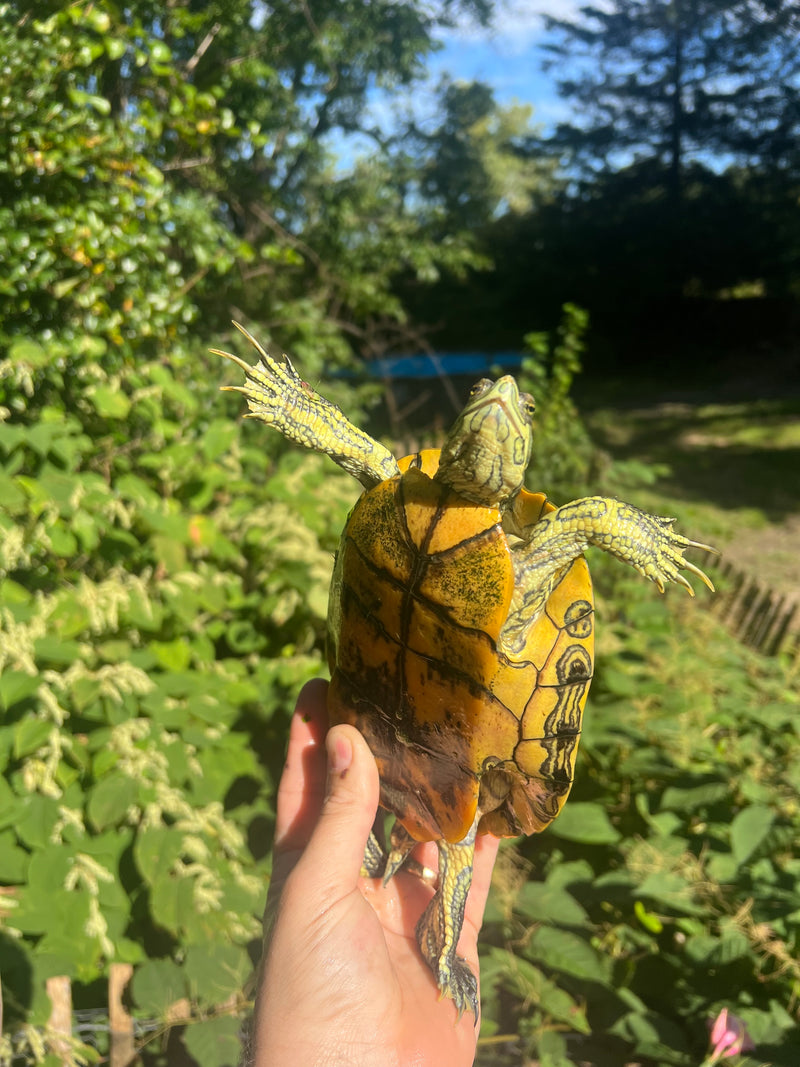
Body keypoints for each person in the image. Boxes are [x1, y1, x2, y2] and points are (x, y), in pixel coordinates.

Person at [250, 679, 500, 1067]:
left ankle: (443, 949)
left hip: (382, 713)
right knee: (461, 838)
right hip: (424, 731)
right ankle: (443, 951)